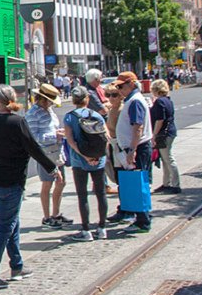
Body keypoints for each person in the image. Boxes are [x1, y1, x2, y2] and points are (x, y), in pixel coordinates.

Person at [0, 85, 58, 287]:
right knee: (5, 226)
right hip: (10, 183)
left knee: (10, 221)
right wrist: (52, 167)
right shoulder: (18, 122)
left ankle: (17, 265)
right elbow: (34, 148)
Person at [62, 86, 110, 242]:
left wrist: (84, 155)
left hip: (80, 161)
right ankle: (102, 227)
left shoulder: (69, 117)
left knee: (82, 195)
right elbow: (106, 137)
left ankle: (86, 230)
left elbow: (70, 141)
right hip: (99, 159)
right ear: (87, 99)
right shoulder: (97, 115)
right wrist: (98, 156)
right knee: (101, 193)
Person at [113, 72, 154, 234]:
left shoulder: (135, 101)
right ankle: (140, 216)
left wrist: (132, 150)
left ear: (131, 84)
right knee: (137, 183)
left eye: (121, 86)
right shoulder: (133, 99)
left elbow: (138, 127)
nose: (119, 89)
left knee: (138, 183)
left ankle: (143, 220)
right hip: (136, 147)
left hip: (137, 148)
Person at [26, 85, 70, 228]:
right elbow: (33, 137)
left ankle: (56, 214)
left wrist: (59, 132)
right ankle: (47, 217)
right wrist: (54, 135)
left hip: (56, 151)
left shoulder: (49, 110)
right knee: (48, 184)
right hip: (45, 153)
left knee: (61, 183)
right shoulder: (33, 113)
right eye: (49, 101)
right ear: (43, 99)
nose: (51, 103)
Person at [150, 79, 181, 194]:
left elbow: (160, 119)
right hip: (170, 132)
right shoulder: (168, 100)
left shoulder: (159, 102)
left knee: (168, 158)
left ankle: (175, 184)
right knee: (165, 159)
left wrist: (154, 134)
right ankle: (166, 183)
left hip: (164, 133)